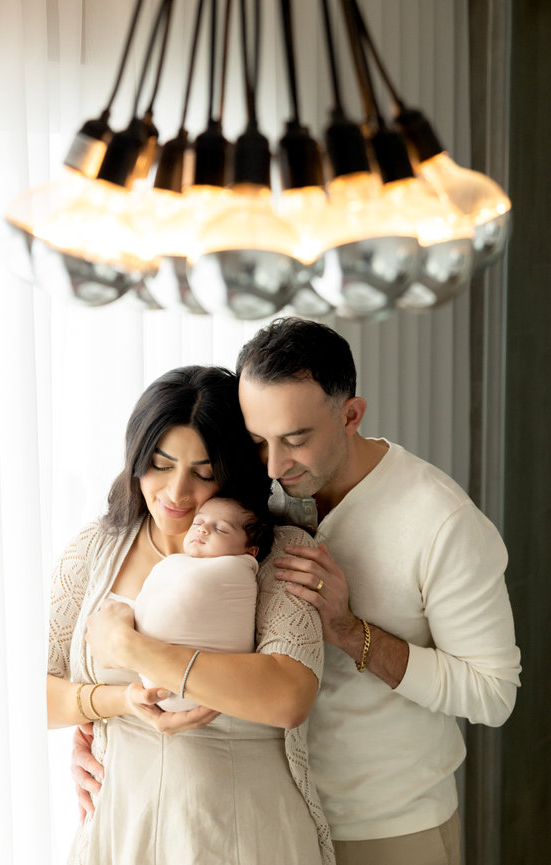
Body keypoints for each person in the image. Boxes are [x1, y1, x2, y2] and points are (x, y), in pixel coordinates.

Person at [234, 317, 521, 865]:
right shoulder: (259, 490)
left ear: (351, 415)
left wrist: (348, 631)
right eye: (258, 441)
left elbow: (493, 694)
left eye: (296, 439)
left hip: (388, 831)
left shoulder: (443, 522)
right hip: (272, 819)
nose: (274, 465)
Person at [47, 365, 334, 865]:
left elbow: (289, 695)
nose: (177, 494)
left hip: (242, 825)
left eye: (203, 474)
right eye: (160, 465)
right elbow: (37, 696)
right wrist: (120, 700)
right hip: (122, 822)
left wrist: (133, 649)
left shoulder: (275, 552)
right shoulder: (95, 550)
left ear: (234, 473)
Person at [133, 495, 274, 711]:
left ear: (250, 551)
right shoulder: (175, 563)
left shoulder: (237, 569)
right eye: (198, 523)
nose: (203, 529)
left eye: (221, 529)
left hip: (204, 684)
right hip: (157, 681)